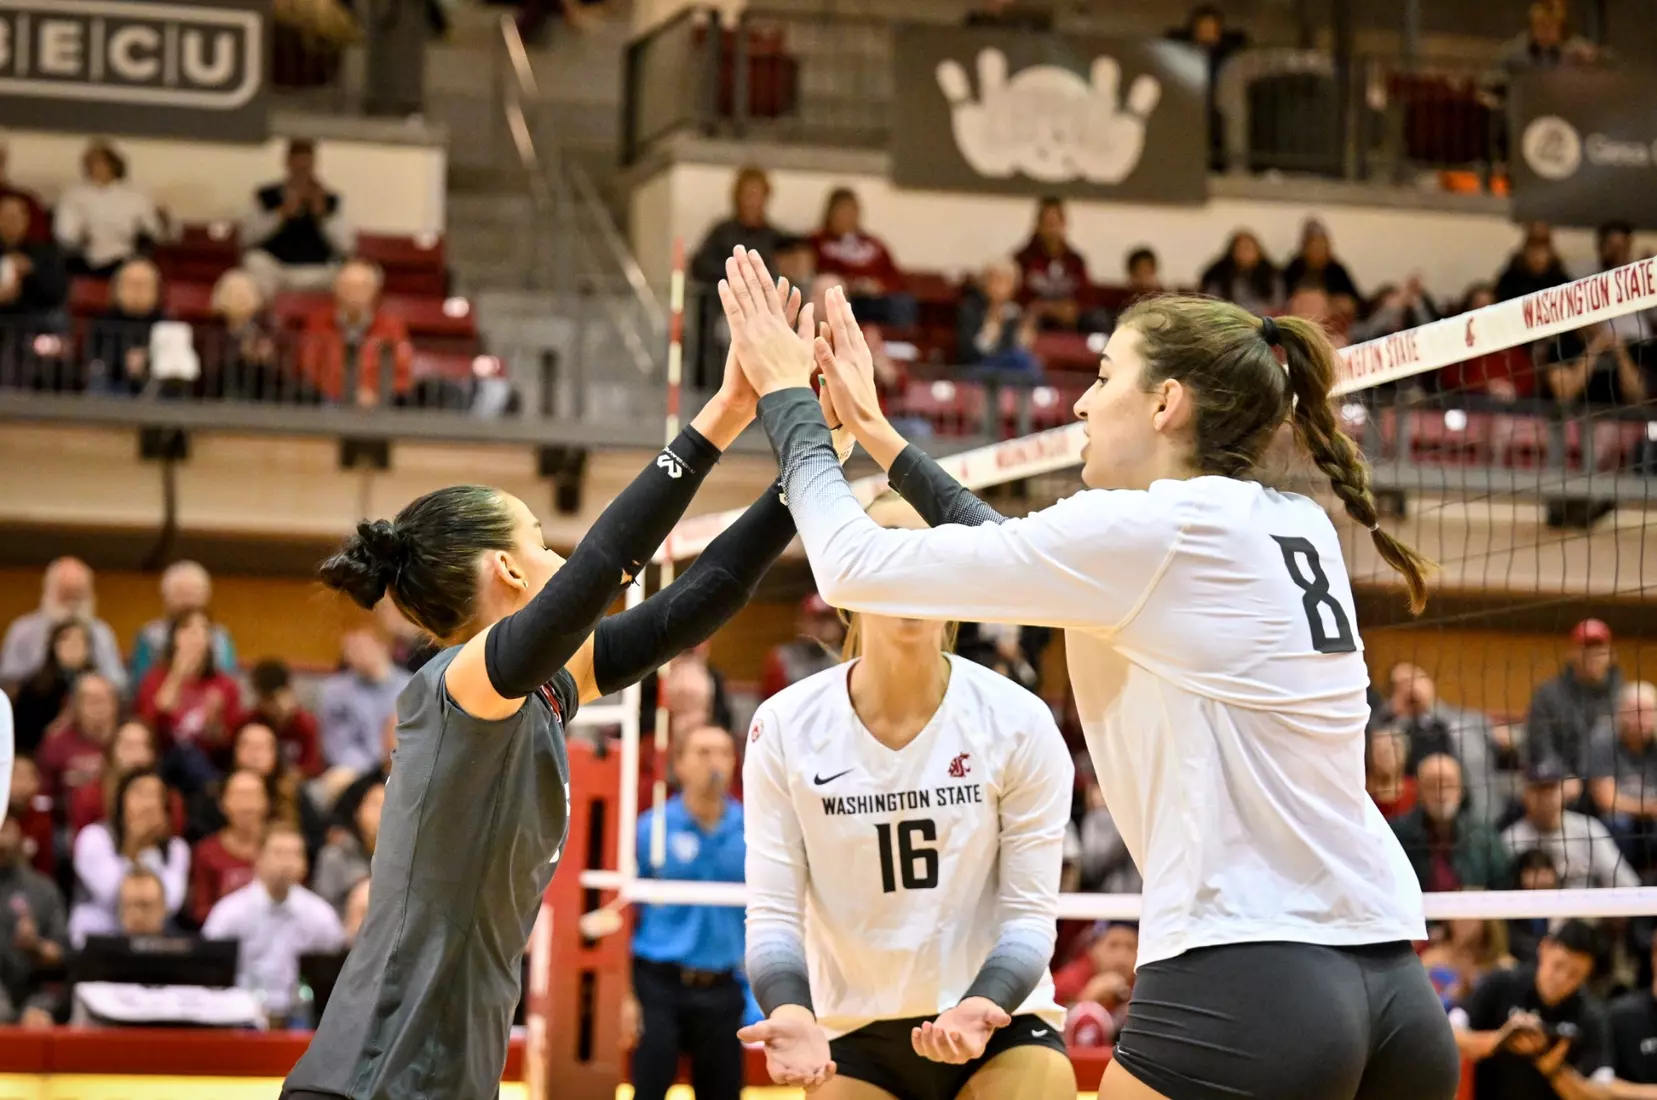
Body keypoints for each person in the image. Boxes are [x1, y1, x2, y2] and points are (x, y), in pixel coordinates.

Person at [719, 244, 1460, 1100]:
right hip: (1390, 985)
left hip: (1249, 978)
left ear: (1165, 404)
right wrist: (882, 439)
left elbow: (851, 567)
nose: (1079, 401)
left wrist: (787, 398)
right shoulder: (1293, 522)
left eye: (1104, 378)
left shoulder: (1153, 529)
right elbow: (1014, 553)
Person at [279, 278, 828, 1100]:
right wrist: (722, 415)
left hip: (440, 1080)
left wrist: (813, 460)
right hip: (372, 1079)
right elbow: (601, 572)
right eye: (540, 541)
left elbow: (694, 602)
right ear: (506, 569)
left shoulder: (533, 690)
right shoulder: (457, 685)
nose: (557, 556)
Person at [740, 493, 1076, 1099]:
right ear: (847, 571)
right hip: (856, 1035)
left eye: (933, 549)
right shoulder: (785, 726)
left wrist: (985, 1001)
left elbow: (1029, 919)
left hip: (1000, 1022)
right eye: (890, 545)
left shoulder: (1018, 720)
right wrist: (789, 1008)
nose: (913, 565)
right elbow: (773, 916)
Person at [624, 724, 747, 1100]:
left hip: (723, 984)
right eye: (703, 752)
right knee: (649, 1088)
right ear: (679, 764)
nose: (715, 763)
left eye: (723, 753)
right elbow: (625, 913)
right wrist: (625, 994)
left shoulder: (753, 830)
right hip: (658, 984)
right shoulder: (651, 828)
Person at [1453, 920, 1613, 1100]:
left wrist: (1552, 1067)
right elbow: (1451, 1035)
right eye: (1558, 965)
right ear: (1544, 948)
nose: (1561, 979)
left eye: (1574, 975)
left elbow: (1601, 1095)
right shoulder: (1502, 983)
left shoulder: (1591, 1015)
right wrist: (1500, 1039)